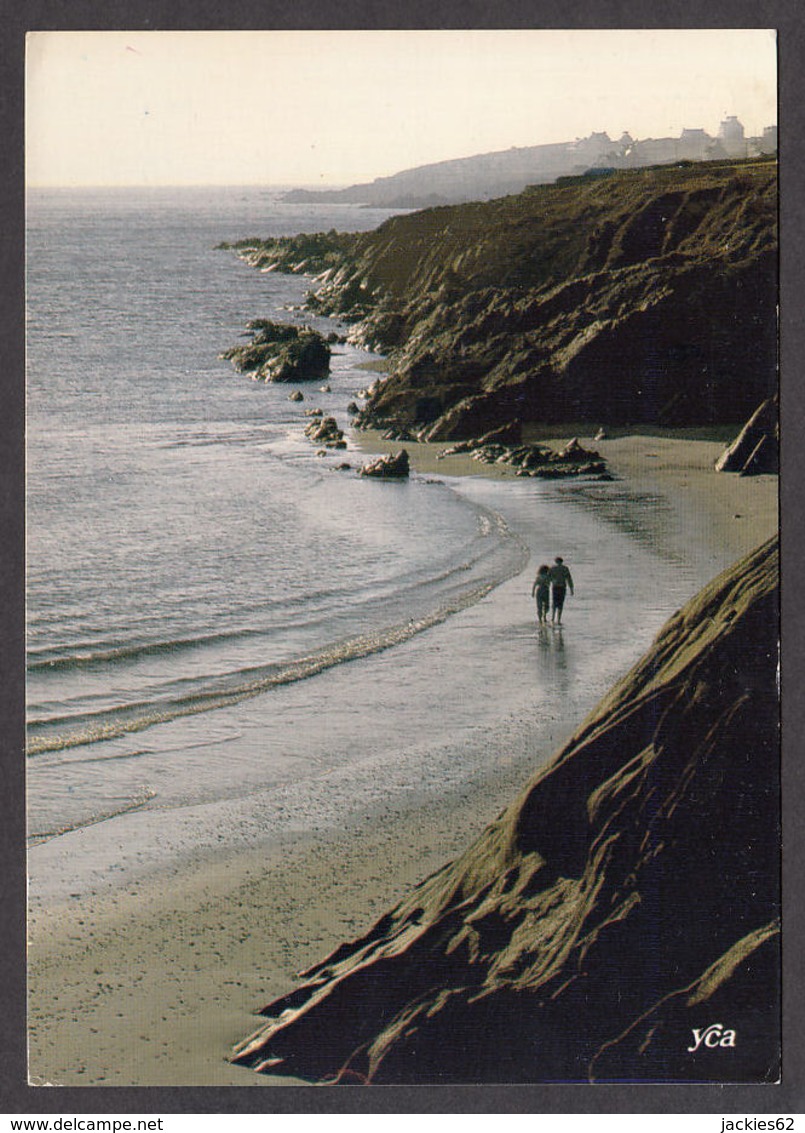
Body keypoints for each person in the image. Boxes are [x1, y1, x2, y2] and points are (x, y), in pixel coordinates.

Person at [549, 556, 574, 624]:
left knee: (554, 602)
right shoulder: (565, 568)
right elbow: (569, 579)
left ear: (556, 561)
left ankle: (552, 618)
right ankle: (559, 619)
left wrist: (552, 581)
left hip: (555, 587)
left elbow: (549, 578)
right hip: (562, 587)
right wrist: (571, 589)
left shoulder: (553, 568)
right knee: (560, 603)